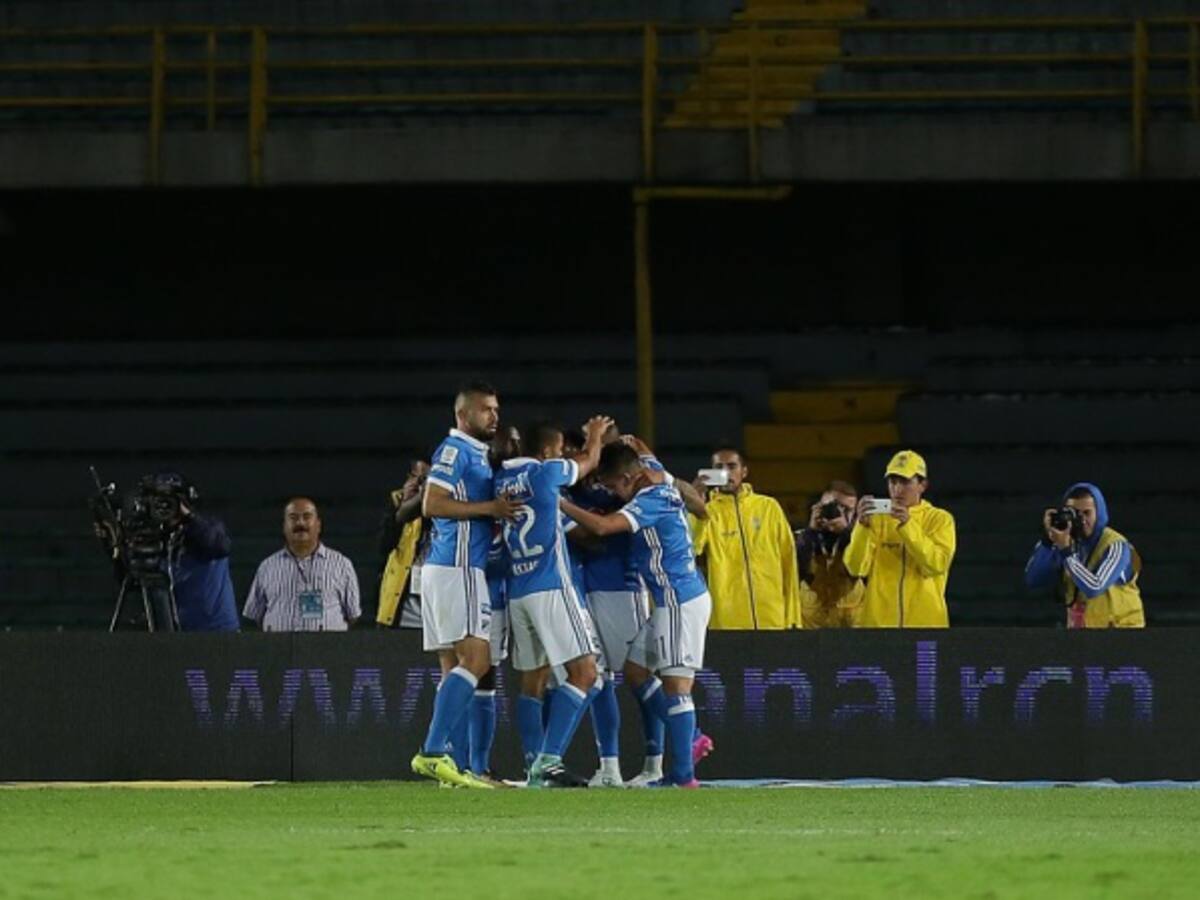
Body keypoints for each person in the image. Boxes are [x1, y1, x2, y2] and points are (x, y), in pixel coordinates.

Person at [561, 442, 713, 788]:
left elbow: (602, 528)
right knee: (636, 671)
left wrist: (559, 503)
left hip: (678, 600)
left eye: (615, 486)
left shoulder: (650, 501)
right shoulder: (653, 473)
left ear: (631, 478)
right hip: (668, 601)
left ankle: (683, 775)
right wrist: (633, 441)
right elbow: (644, 453)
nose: (615, 493)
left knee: (677, 686)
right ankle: (691, 739)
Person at [410, 382, 519, 790]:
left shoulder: (476, 452)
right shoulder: (455, 450)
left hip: (444, 570)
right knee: (478, 659)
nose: (494, 416)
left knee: (453, 667)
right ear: (463, 415)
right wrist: (489, 508)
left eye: (496, 409)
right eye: (486, 410)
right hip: (458, 568)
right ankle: (433, 751)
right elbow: (432, 503)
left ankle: (447, 766)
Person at [496, 415, 612, 788]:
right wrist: (594, 436)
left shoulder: (500, 480)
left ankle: (533, 767)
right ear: (548, 452)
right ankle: (549, 760)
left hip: (518, 592)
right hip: (551, 586)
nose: (563, 455)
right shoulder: (546, 474)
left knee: (533, 680)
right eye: (560, 450)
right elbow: (590, 462)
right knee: (586, 672)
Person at [690, 446, 801, 630]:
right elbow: (693, 548)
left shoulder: (768, 507)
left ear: (744, 471)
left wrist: (793, 615)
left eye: (732, 466)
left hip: (772, 617)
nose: (725, 472)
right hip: (728, 620)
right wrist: (696, 508)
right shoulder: (707, 512)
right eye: (718, 467)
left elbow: (788, 561)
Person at [844, 450, 956, 628]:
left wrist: (907, 525)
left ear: (923, 485)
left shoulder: (940, 519)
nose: (897, 489)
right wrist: (861, 528)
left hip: (926, 626)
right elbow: (856, 568)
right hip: (879, 628)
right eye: (892, 482)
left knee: (925, 658)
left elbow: (936, 564)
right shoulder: (876, 519)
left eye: (905, 482)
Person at [1024, 482, 1145, 628]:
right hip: (1084, 636)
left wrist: (1066, 552)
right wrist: (1047, 542)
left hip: (1123, 635)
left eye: (1087, 513)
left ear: (1099, 513)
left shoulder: (1116, 545)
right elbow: (1033, 579)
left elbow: (1094, 587)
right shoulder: (1064, 540)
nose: (1081, 520)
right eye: (1074, 513)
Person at [242, 497, 361, 632]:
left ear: (318, 525)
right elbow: (255, 616)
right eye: (293, 517)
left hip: (327, 651)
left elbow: (353, 616)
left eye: (307, 516)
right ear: (284, 526)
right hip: (278, 651)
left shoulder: (342, 564)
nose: (300, 523)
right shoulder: (267, 567)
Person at [795, 481, 864, 629]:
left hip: (850, 627)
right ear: (819, 506)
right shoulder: (802, 538)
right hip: (811, 628)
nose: (839, 513)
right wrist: (811, 532)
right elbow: (796, 571)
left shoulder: (860, 539)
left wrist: (847, 534)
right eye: (834, 507)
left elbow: (857, 569)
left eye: (847, 510)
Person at [375, 459, 429, 629]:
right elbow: (383, 546)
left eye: (427, 479)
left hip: (436, 604)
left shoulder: (450, 502)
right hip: (403, 606)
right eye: (418, 478)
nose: (423, 485)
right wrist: (405, 503)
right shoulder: (397, 500)